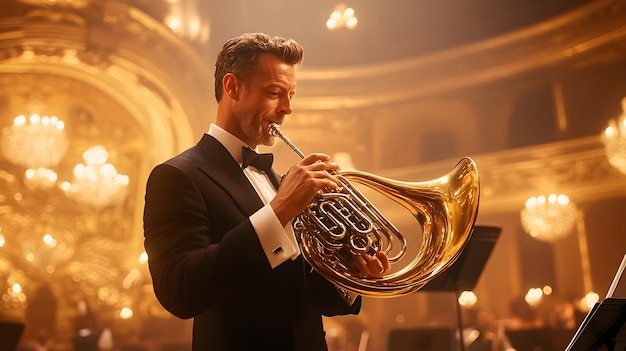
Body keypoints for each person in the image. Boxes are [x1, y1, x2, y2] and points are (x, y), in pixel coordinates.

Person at [143, 32, 390, 351]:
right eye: (274, 92)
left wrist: (347, 275)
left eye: (291, 95)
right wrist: (280, 210)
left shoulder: (274, 179)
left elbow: (307, 296)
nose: (287, 109)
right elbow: (180, 292)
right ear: (232, 87)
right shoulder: (176, 176)